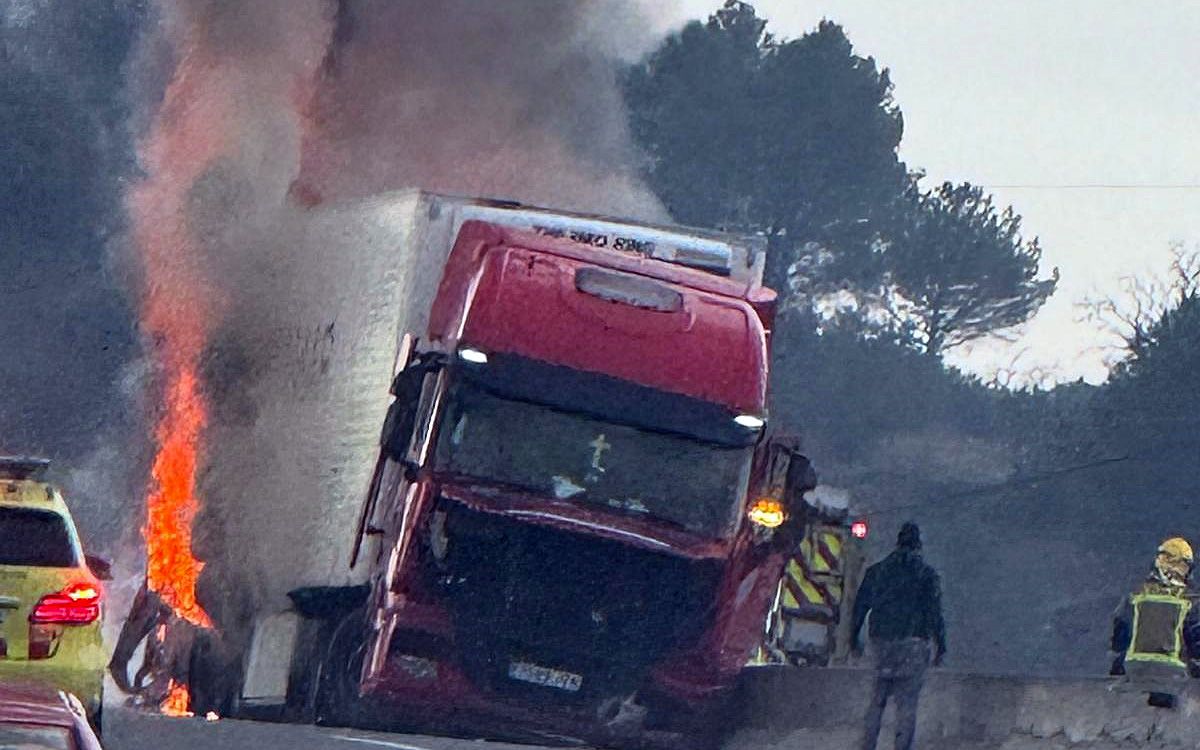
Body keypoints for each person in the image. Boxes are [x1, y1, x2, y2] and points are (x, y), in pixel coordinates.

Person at [850, 521, 946, 750]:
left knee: (876, 701)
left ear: (898, 542)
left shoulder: (877, 571)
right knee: (906, 705)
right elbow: (934, 613)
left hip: (882, 642)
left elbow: (860, 606)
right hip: (913, 644)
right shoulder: (927, 575)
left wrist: (854, 638)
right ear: (918, 545)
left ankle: (868, 746)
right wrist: (940, 645)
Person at [1110, 537, 1200, 706]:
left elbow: (1119, 637)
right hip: (1174, 676)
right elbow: (1196, 643)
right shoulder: (1191, 601)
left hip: (1135, 672)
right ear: (1184, 566)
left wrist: (1118, 668)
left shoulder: (1135, 595)